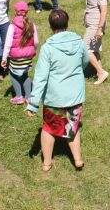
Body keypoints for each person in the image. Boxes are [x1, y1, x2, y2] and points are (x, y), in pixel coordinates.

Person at [25, 9, 89, 172]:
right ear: (67, 23)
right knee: (72, 127)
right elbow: (85, 61)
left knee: (48, 128)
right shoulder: (79, 41)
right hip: (75, 96)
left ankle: (47, 163)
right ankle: (78, 159)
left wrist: (33, 103)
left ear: (50, 25)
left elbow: (40, 77)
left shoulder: (48, 48)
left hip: (55, 98)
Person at [70, 0, 110, 85]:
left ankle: (101, 72)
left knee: (85, 49)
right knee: (95, 49)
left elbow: (104, 10)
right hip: (93, 24)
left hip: (95, 25)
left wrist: (99, 29)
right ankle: (99, 72)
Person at [2, 0, 38, 104]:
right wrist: (33, 50)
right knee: (25, 75)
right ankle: (28, 97)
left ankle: (19, 97)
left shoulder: (12, 26)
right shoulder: (31, 24)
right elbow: (36, 41)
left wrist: (4, 58)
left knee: (13, 74)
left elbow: (8, 43)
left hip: (15, 57)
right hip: (28, 56)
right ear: (27, 11)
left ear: (15, 11)